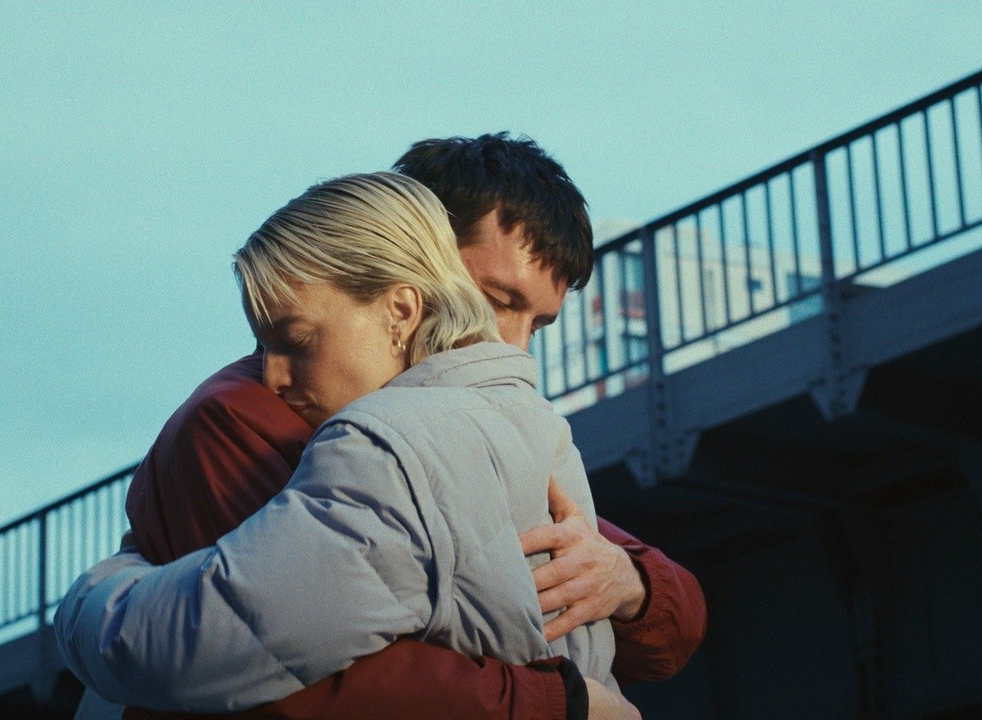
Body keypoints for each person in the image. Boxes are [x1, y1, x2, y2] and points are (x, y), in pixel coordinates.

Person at [77, 134, 706, 720]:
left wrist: (630, 584)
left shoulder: (447, 423)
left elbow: (680, 622)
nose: (513, 349)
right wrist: (561, 702)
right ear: (412, 249)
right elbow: (302, 680)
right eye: (496, 301)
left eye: (537, 325)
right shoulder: (241, 420)